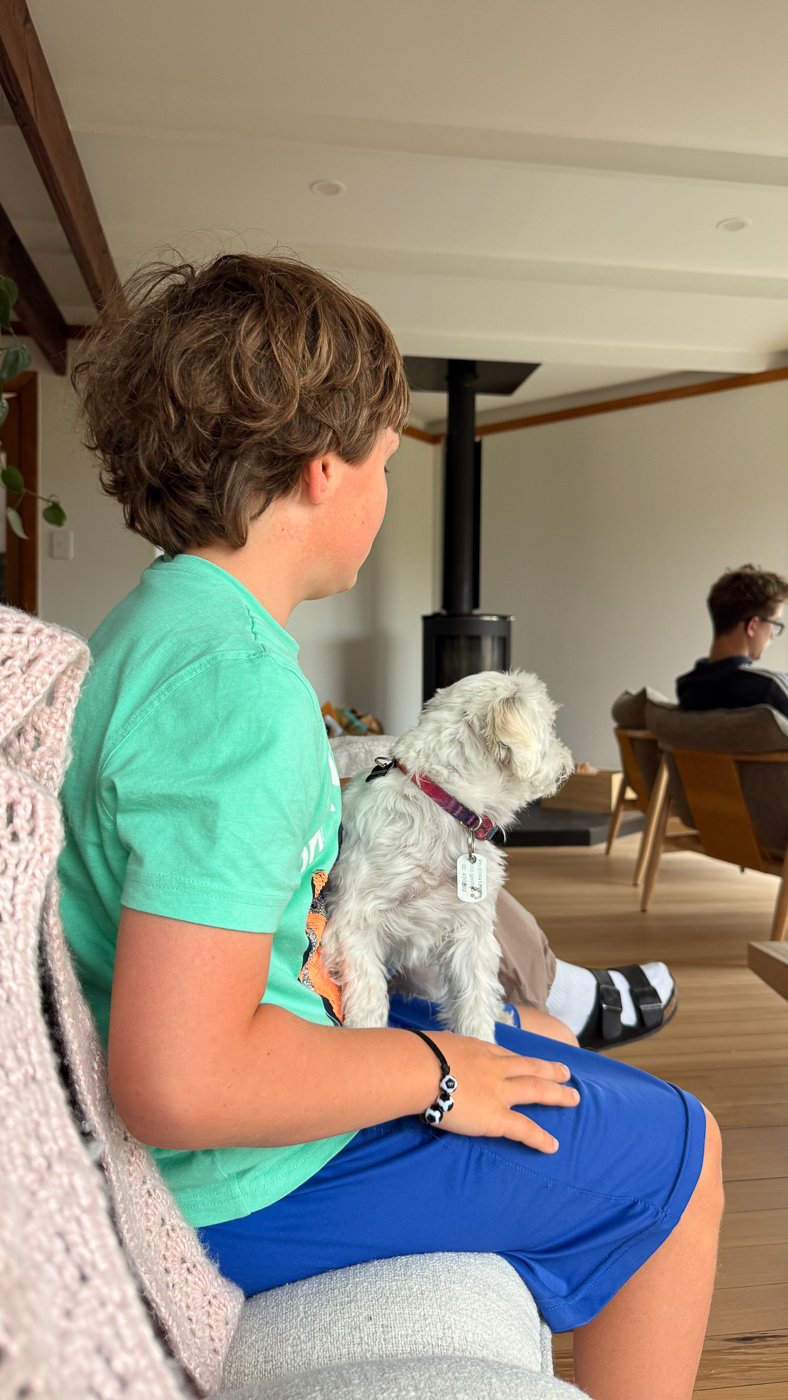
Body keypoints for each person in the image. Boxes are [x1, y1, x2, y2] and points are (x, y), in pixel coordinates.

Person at [60, 254, 722, 1400]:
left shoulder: (156, 626)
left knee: (531, 1031)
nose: (382, 486)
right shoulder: (236, 688)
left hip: (237, 1127)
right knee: (678, 1147)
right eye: (383, 459)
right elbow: (179, 1076)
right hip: (236, 1181)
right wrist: (434, 1067)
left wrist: (335, 963)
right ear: (324, 470)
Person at [677, 564, 788, 714]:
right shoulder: (770, 687)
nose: (772, 635)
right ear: (753, 626)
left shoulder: (687, 687)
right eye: (774, 624)